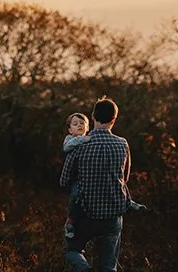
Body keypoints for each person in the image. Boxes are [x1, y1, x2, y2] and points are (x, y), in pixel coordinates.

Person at [59, 96, 144, 272]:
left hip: (85, 214)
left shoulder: (79, 145)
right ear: (114, 120)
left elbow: (64, 179)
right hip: (113, 214)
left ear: (93, 117)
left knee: (71, 250)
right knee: (108, 266)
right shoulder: (122, 144)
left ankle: (83, 269)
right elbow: (124, 178)